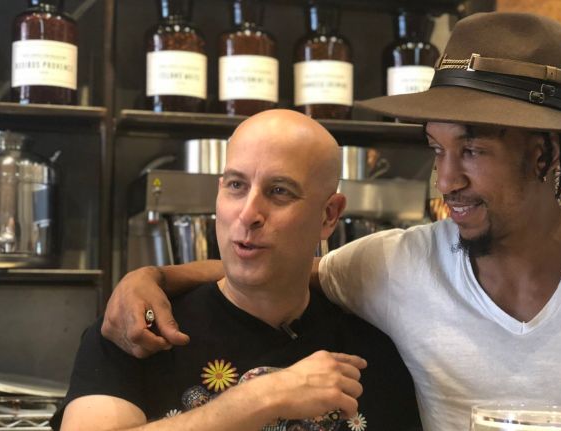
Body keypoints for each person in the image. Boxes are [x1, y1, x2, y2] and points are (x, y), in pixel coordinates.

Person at [101, 12, 561, 431]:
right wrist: (151, 278)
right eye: (437, 149)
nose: (446, 179)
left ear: (544, 154)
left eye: (472, 150)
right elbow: (277, 267)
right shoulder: (397, 265)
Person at [52, 110, 422, 431]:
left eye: (279, 191)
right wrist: (260, 398)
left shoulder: (374, 347)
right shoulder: (137, 329)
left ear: (328, 216)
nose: (248, 213)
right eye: (236, 186)